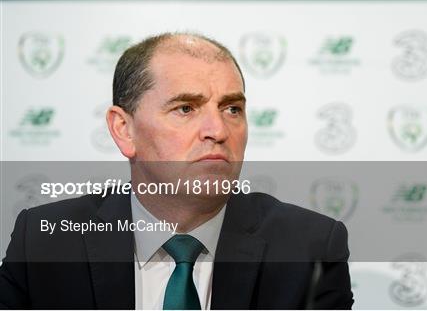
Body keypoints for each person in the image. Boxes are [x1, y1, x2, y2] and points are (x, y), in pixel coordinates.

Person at [0, 33, 354, 309]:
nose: (218, 130)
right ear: (124, 129)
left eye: (232, 109)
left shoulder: (310, 248)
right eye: (186, 108)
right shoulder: (45, 242)